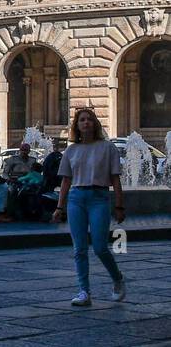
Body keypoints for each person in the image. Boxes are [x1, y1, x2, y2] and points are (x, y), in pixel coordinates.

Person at [52, 108, 125, 307]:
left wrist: (119, 206)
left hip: (99, 197)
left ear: (95, 124)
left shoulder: (107, 147)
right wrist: (60, 207)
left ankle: (117, 278)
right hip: (76, 198)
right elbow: (66, 181)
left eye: (89, 119)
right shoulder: (71, 150)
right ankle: (84, 291)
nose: (86, 123)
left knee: (100, 247)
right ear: (77, 125)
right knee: (79, 249)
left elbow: (115, 180)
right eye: (82, 120)